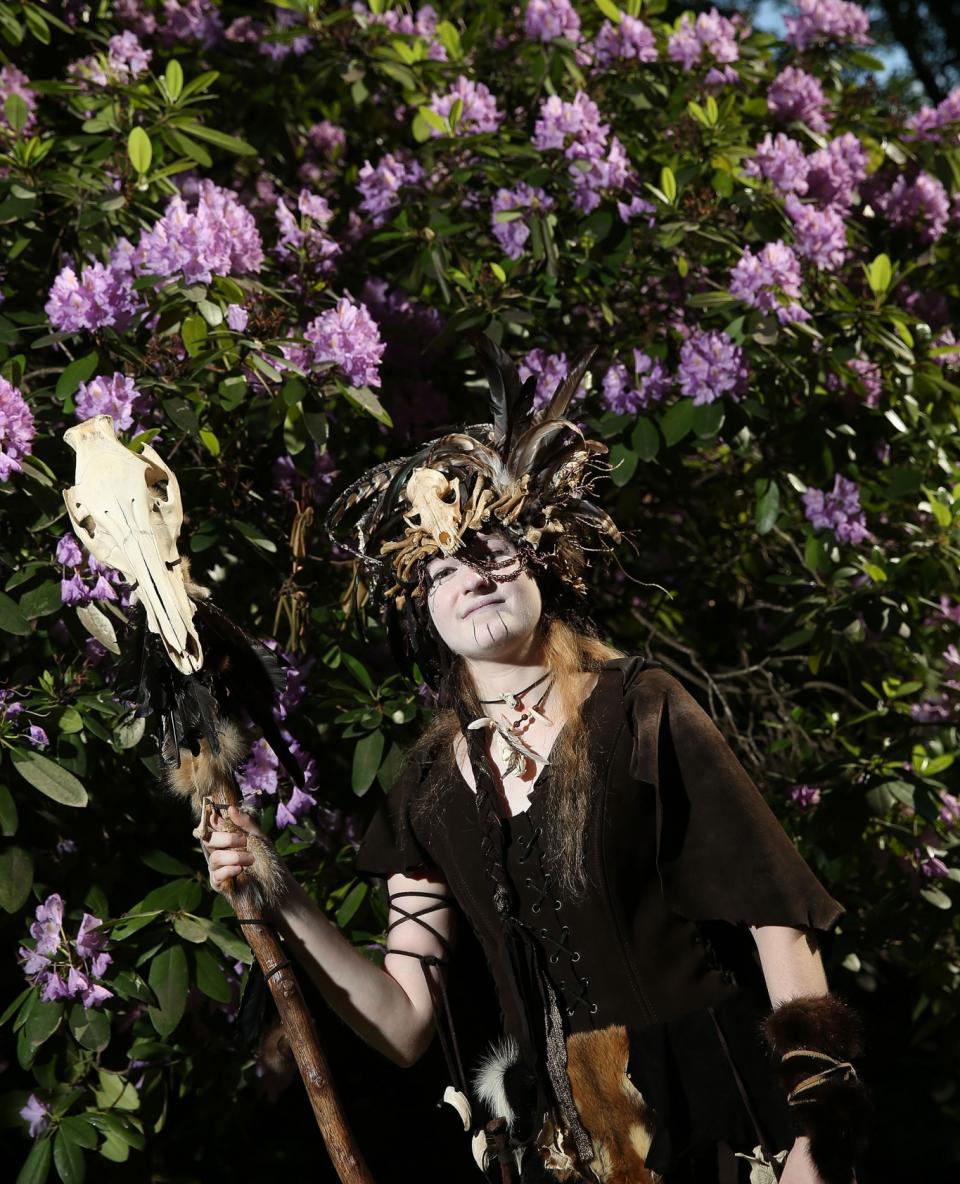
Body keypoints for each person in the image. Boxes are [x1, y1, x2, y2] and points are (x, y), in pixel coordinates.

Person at [200, 340, 867, 1183]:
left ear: (542, 560)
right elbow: (404, 1023)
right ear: (421, 616)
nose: (469, 574)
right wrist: (282, 895)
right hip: (563, 1149)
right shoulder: (430, 790)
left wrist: (813, 1138)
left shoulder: (643, 707)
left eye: (487, 547)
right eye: (438, 568)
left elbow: (779, 926)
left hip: (714, 1114)